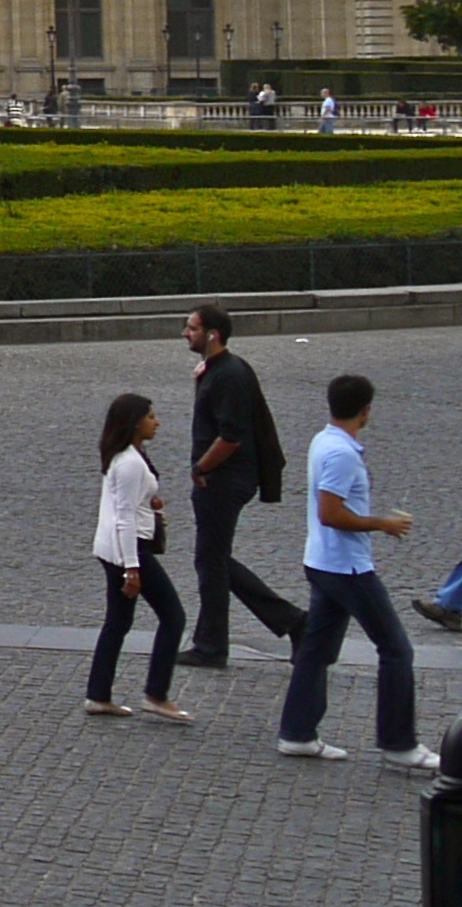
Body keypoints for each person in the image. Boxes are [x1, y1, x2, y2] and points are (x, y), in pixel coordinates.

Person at [276, 373, 433, 769]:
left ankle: (297, 733)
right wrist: (382, 523)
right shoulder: (343, 454)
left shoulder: (323, 440)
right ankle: (399, 743)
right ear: (366, 411)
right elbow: (331, 513)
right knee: (396, 649)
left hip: (321, 561)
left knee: (316, 649)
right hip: (347, 568)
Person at [179, 306, 300, 665]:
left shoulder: (228, 375)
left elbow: (231, 437)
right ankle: (292, 622)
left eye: (191, 328)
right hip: (223, 479)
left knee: (210, 562)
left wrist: (201, 467)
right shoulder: (221, 370)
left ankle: (212, 646)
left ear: (212, 334)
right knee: (213, 561)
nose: (185, 334)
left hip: (223, 480)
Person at [86, 391, 191, 724]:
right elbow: (125, 516)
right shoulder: (131, 462)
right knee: (173, 617)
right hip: (128, 552)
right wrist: (132, 569)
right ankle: (156, 695)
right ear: (134, 423)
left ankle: (99, 694)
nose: (156, 422)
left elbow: (124, 504)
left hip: (110, 549)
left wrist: (152, 502)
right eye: (150, 416)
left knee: (118, 622)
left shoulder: (124, 455)